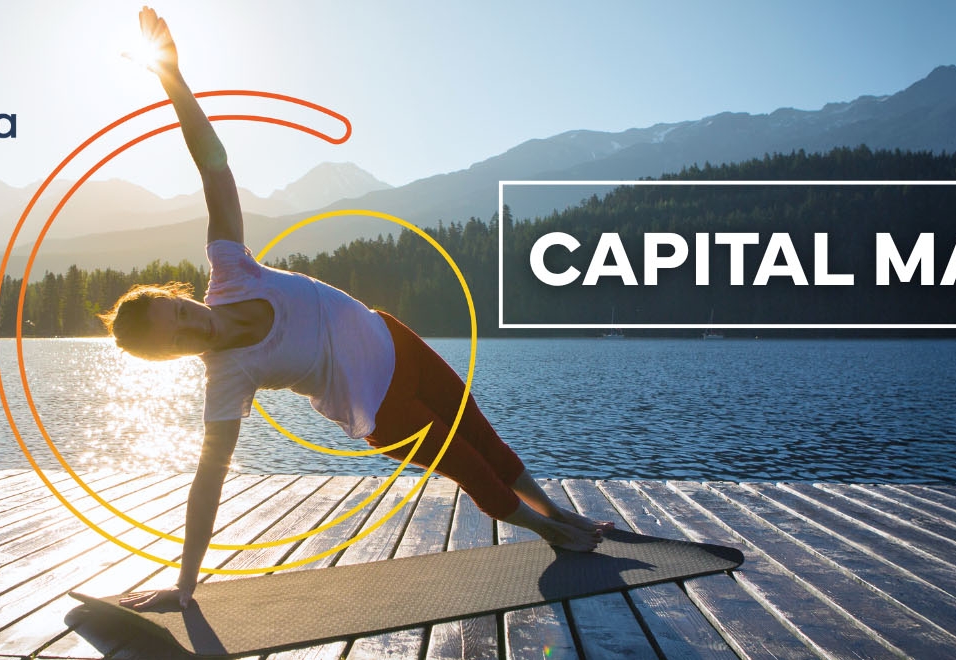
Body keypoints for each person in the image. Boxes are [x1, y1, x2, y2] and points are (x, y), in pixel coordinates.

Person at [108, 7, 611, 612]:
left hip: (396, 341)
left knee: (484, 438)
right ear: (172, 355)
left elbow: (213, 166)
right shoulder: (228, 376)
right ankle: (554, 534)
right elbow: (207, 483)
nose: (193, 325)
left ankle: (556, 513)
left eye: (179, 311)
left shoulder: (231, 271)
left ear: (179, 297)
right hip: (381, 407)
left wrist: (173, 78)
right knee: (469, 469)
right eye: (177, 338)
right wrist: (185, 585)